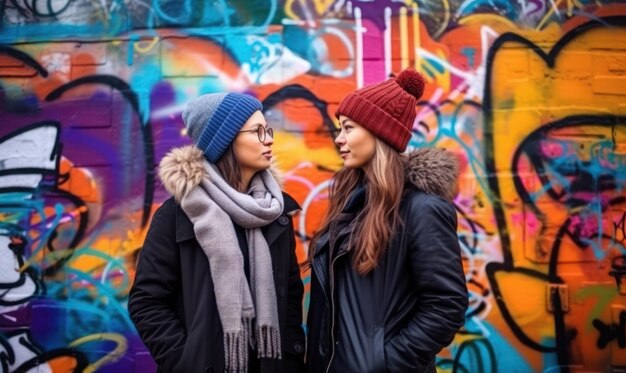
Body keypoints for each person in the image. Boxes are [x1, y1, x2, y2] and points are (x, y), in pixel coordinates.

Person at [128, 92, 306, 373]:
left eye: (267, 130)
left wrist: (291, 360)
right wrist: (186, 362)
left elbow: (291, 296)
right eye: (257, 132)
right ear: (225, 140)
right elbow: (147, 302)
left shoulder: (273, 212)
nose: (269, 139)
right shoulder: (178, 215)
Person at [305, 69, 468, 372]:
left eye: (349, 128)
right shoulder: (351, 205)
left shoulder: (422, 210)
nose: (339, 139)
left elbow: (447, 305)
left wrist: (386, 363)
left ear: (379, 132)